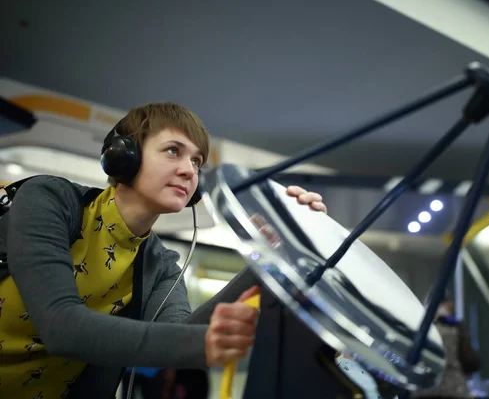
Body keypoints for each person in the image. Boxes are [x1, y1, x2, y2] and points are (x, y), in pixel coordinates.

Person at [0, 102, 328, 398]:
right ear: (123, 155)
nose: (190, 170)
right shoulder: (49, 199)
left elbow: (180, 337)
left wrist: (273, 251)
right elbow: (61, 327)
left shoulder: (161, 265)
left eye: (197, 161)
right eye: (173, 151)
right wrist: (204, 343)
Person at [413, 290, 481, 399]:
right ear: (446, 305)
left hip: (422, 391)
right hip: (452, 390)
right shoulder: (455, 327)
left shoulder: (416, 328)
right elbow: (469, 361)